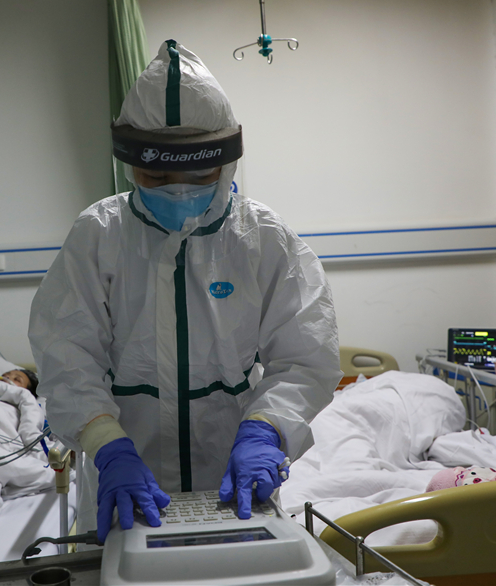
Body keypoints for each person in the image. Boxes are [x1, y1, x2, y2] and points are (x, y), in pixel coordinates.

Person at [29, 40, 342, 544]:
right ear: (130, 165)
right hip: (127, 484)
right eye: (157, 175)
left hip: (236, 483)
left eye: (198, 175)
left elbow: (306, 357)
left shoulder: (264, 238)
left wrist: (268, 430)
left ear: (227, 163)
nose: (178, 189)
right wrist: (106, 444)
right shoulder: (98, 236)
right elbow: (67, 355)